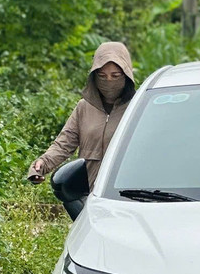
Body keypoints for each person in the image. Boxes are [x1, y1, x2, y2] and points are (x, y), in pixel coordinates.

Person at [27, 42, 136, 190]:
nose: (109, 81)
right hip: (89, 197)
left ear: (127, 75)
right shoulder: (84, 108)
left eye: (115, 76)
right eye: (102, 76)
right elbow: (64, 143)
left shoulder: (137, 107)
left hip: (127, 195)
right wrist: (42, 164)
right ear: (94, 76)